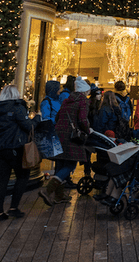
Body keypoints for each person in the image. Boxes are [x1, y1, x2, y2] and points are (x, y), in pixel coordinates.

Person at [0, 85, 41, 222]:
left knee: (0, 179)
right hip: (15, 147)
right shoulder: (17, 107)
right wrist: (37, 118)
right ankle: (13, 207)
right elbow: (28, 126)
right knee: (23, 176)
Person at [42, 76, 92, 206]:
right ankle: (48, 190)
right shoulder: (83, 101)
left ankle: (59, 196)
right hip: (71, 137)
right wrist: (88, 129)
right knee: (70, 164)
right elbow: (82, 119)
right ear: (85, 91)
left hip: (59, 133)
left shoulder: (67, 100)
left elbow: (58, 116)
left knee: (60, 163)